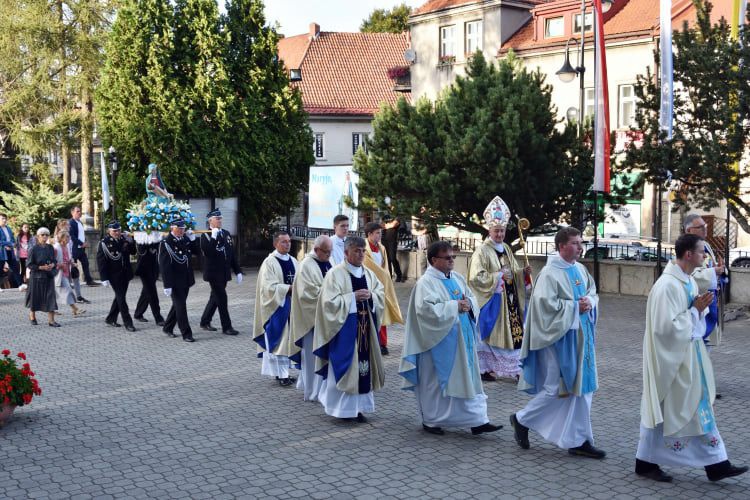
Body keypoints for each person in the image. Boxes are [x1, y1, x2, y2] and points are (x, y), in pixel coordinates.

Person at [636, 233, 748, 483]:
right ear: (688, 255)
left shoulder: (684, 280)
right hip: (674, 360)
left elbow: (693, 300)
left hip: (688, 355)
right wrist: (695, 310)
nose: (705, 256)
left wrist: (698, 306)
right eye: (701, 252)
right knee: (676, 410)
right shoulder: (667, 286)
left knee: (691, 410)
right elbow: (665, 329)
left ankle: (712, 463)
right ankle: (714, 464)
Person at [510, 227, 605, 459]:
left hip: (582, 337)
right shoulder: (550, 274)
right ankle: (521, 419)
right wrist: (575, 307)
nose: (580, 247)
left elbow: (593, 291)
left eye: (580, 242)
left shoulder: (580, 269)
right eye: (575, 243)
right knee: (557, 389)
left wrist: (589, 302)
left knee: (583, 389)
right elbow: (544, 308)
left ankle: (578, 439)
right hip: (559, 339)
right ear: (562, 246)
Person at [400, 241, 503, 436]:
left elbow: (472, 298)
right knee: (436, 383)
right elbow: (425, 311)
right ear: (433, 260)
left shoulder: (456, 277)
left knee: (468, 379)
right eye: (447, 258)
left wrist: (468, 305)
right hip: (437, 342)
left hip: (462, 339)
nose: (452, 261)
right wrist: (454, 306)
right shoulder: (426, 283)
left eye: (453, 257)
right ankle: (431, 421)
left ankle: (477, 420)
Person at [313, 237, 385, 423]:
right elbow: (328, 303)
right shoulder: (335, 274)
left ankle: (359, 409)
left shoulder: (368, 274)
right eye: (356, 251)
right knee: (345, 367)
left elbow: (380, 294)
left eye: (363, 251)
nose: (361, 254)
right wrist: (351, 298)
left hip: (365, 330)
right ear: (346, 253)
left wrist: (372, 297)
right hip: (344, 332)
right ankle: (341, 410)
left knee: (363, 369)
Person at [468, 196, 532, 381]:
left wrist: (522, 273)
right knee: (494, 336)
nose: (500, 235)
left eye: (502, 231)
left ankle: (516, 369)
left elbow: (512, 270)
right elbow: (475, 277)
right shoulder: (482, 251)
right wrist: (497, 277)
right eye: (496, 231)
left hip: (510, 300)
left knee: (515, 334)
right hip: (494, 300)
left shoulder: (505, 248)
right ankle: (485, 368)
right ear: (490, 230)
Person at [282, 235, 333, 401]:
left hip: (325, 318)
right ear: (317, 250)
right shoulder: (306, 266)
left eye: (330, 252)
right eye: (326, 252)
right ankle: (312, 392)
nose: (329, 255)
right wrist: (332, 297)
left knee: (322, 356)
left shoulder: (326, 262)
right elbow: (307, 295)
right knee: (311, 358)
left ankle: (320, 389)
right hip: (310, 321)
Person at [253, 231, 298, 386]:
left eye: (289, 241)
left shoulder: (293, 260)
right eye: (284, 242)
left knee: (289, 341)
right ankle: (282, 375)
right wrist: (288, 289)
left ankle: (284, 373)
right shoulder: (269, 263)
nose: (288, 244)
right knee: (280, 342)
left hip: (292, 306)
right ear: (275, 244)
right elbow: (268, 288)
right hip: (278, 307)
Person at [683, 214, 724, 348]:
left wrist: (719, 269)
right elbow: (690, 276)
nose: (705, 229)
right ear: (688, 230)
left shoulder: (705, 244)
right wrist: (713, 272)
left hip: (711, 300)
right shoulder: (684, 247)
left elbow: (709, 267)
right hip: (697, 302)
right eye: (700, 227)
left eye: (705, 226)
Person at [363, 221, 404, 355]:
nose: (380, 236)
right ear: (369, 234)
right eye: (377, 233)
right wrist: (385, 277)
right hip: (369, 285)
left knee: (383, 315)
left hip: (381, 287)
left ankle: (383, 343)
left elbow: (385, 267)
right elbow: (369, 266)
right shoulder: (363, 247)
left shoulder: (382, 248)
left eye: (380, 233)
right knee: (370, 315)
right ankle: (371, 344)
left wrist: (386, 279)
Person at [199, 209, 242, 335]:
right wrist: (213, 237)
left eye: (220, 218)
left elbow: (231, 254)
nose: (219, 220)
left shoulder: (226, 233)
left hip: (224, 272)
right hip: (213, 273)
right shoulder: (205, 235)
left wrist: (237, 271)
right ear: (210, 220)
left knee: (215, 298)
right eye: (217, 218)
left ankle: (204, 321)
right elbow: (208, 253)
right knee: (222, 298)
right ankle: (226, 327)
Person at [159, 218, 200, 342]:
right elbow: (164, 265)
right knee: (181, 307)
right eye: (179, 228)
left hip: (186, 279)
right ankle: (186, 333)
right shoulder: (166, 243)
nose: (182, 230)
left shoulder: (185, 239)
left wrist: (193, 241)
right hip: (174, 281)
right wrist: (167, 285)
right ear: (172, 228)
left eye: (183, 228)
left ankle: (167, 327)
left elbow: (197, 252)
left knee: (177, 306)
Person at [97, 221, 136, 332]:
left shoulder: (124, 239)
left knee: (119, 297)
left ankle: (110, 318)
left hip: (126, 273)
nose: (117, 232)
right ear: (109, 231)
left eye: (119, 230)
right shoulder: (104, 243)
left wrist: (131, 241)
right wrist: (104, 278)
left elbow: (133, 252)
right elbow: (101, 262)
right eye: (114, 231)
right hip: (114, 275)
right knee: (121, 299)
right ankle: (128, 322)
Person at [25, 227, 59, 327]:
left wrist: (53, 265)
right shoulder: (33, 249)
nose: (44, 236)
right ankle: (32, 316)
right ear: (38, 236)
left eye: (46, 235)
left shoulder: (50, 247)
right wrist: (41, 267)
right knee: (35, 298)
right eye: (42, 235)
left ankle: (51, 321)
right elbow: (29, 264)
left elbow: (54, 260)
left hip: (48, 276)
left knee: (50, 298)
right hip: (36, 277)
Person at [55, 219, 88, 304]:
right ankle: (71, 302)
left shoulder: (68, 235)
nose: (69, 226)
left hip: (69, 261)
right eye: (67, 225)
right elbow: (58, 252)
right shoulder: (59, 238)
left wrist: (72, 260)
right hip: (62, 265)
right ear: (62, 226)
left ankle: (78, 297)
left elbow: (69, 249)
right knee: (62, 284)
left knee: (74, 277)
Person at [133, 237, 165, 326]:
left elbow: (159, 247)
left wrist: (157, 237)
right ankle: (158, 318)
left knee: (146, 293)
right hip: (144, 271)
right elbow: (142, 250)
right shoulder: (142, 240)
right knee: (152, 294)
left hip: (153, 270)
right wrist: (148, 237)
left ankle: (138, 313)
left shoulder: (155, 241)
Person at [53, 230, 84, 317]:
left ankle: (52, 309)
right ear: (62, 238)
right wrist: (59, 265)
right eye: (67, 237)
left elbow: (68, 258)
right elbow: (51, 261)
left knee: (57, 293)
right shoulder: (56, 248)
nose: (69, 238)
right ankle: (75, 309)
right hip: (59, 273)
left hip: (66, 271)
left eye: (69, 237)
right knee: (68, 290)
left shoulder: (66, 246)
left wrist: (72, 263)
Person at [69, 206, 96, 286]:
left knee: (85, 263)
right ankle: (71, 282)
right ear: (72, 213)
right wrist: (81, 243)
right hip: (74, 248)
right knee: (73, 266)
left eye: (80, 211)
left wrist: (85, 242)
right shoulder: (71, 223)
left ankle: (89, 281)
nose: (79, 213)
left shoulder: (80, 222)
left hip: (81, 249)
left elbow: (81, 234)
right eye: (77, 211)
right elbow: (72, 236)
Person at [0, 213, 22, 288]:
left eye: (5, 218)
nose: (4, 220)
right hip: (1, 252)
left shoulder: (8, 228)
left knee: (15, 268)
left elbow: (12, 239)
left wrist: (12, 244)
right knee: (0, 269)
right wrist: (9, 244)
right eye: (2, 218)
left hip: (10, 251)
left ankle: (21, 285)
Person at [382, 215, 403, 282]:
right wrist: (387, 225)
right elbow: (382, 225)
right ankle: (389, 276)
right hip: (384, 241)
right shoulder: (386, 215)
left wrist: (387, 225)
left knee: (392, 258)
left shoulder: (397, 217)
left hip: (392, 241)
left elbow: (394, 225)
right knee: (387, 259)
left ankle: (399, 275)